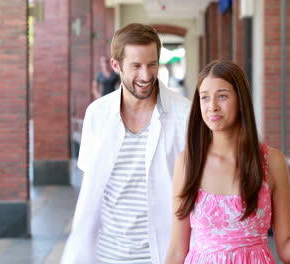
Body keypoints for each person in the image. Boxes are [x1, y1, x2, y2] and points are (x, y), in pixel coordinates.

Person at [165, 60, 290, 264]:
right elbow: (176, 251)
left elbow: (286, 249)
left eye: (222, 96)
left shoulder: (272, 162)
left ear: (241, 101)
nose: (212, 106)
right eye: (204, 98)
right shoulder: (188, 162)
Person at [61, 23, 190, 264]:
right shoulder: (97, 114)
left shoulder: (185, 113)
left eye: (152, 64)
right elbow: (91, 192)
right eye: (136, 66)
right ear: (115, 66)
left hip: (163, 255)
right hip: (106, 255)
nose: (145, 75)